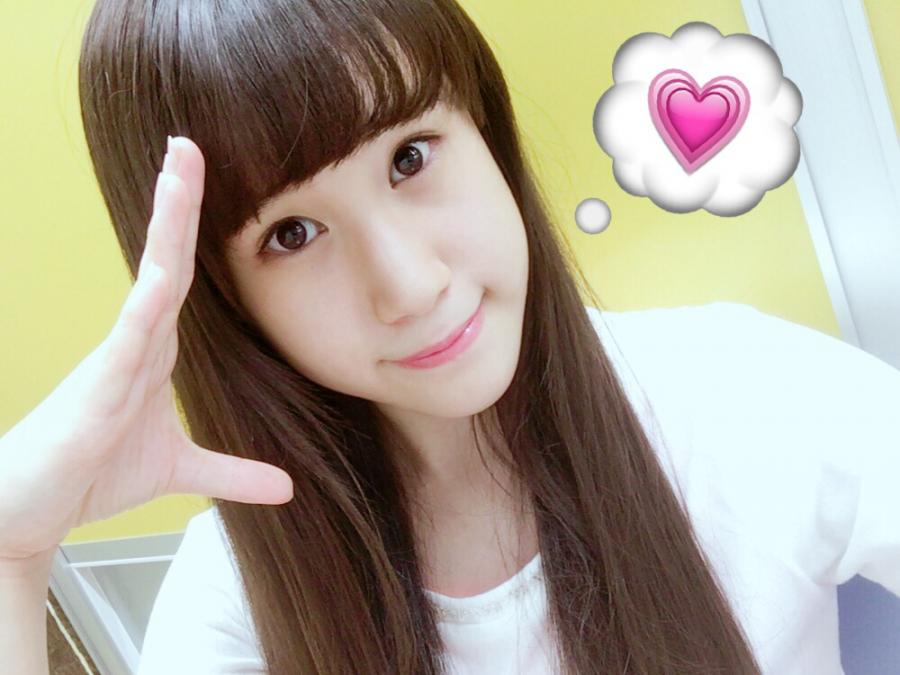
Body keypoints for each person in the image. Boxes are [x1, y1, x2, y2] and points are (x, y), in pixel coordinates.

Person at [1, 0, 899, 673]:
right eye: (292, 233)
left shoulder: (746, 395)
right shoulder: (244, 595)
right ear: (230, 302)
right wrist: (13, 557)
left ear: (486, 129)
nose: (409, 284)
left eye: (409, 157)